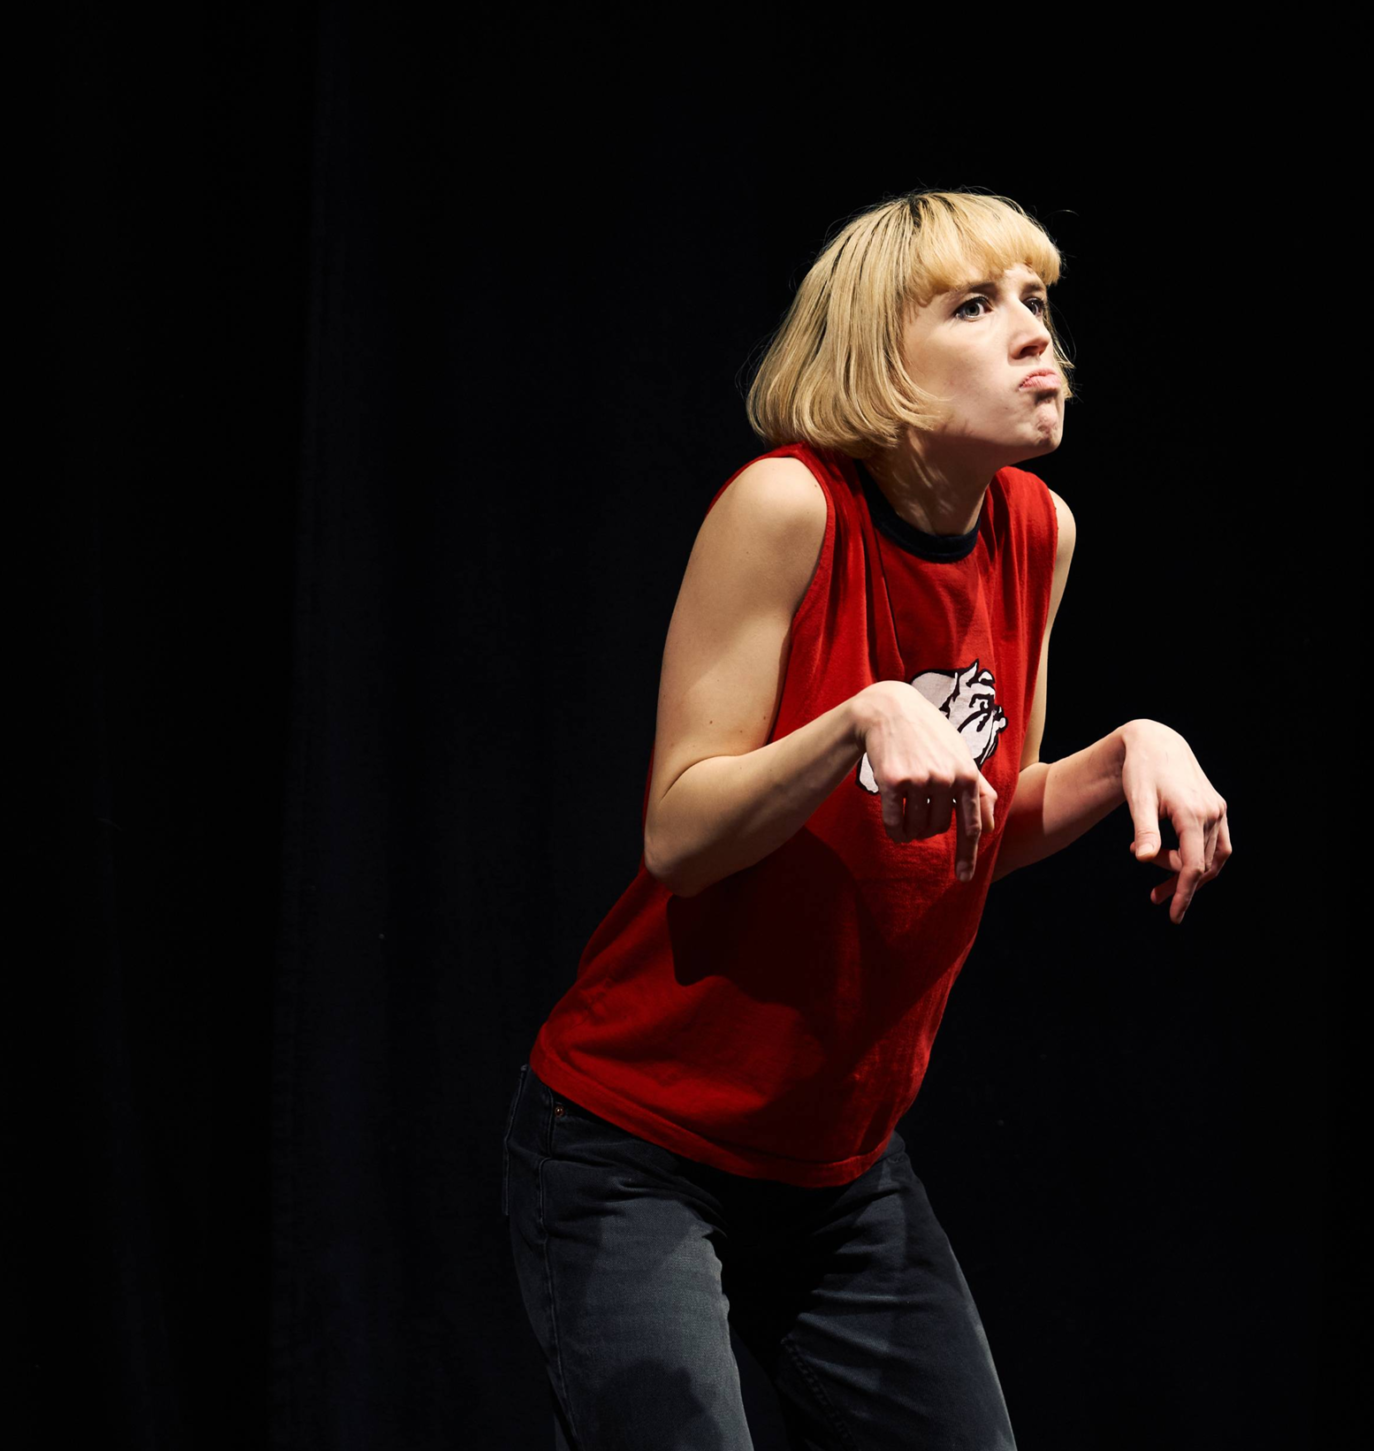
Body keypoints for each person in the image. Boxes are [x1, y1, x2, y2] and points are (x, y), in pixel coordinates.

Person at [502, 190, 1236, 1449]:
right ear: (876, 360)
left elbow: (975, 824)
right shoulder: (788, 509)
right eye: (974, 306)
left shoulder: (1035, 531)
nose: (1033, 333)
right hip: (637, 1144)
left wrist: (1128, 750)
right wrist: (859, 717)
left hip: (839, 1171)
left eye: (1035, 301)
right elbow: (678, 834)